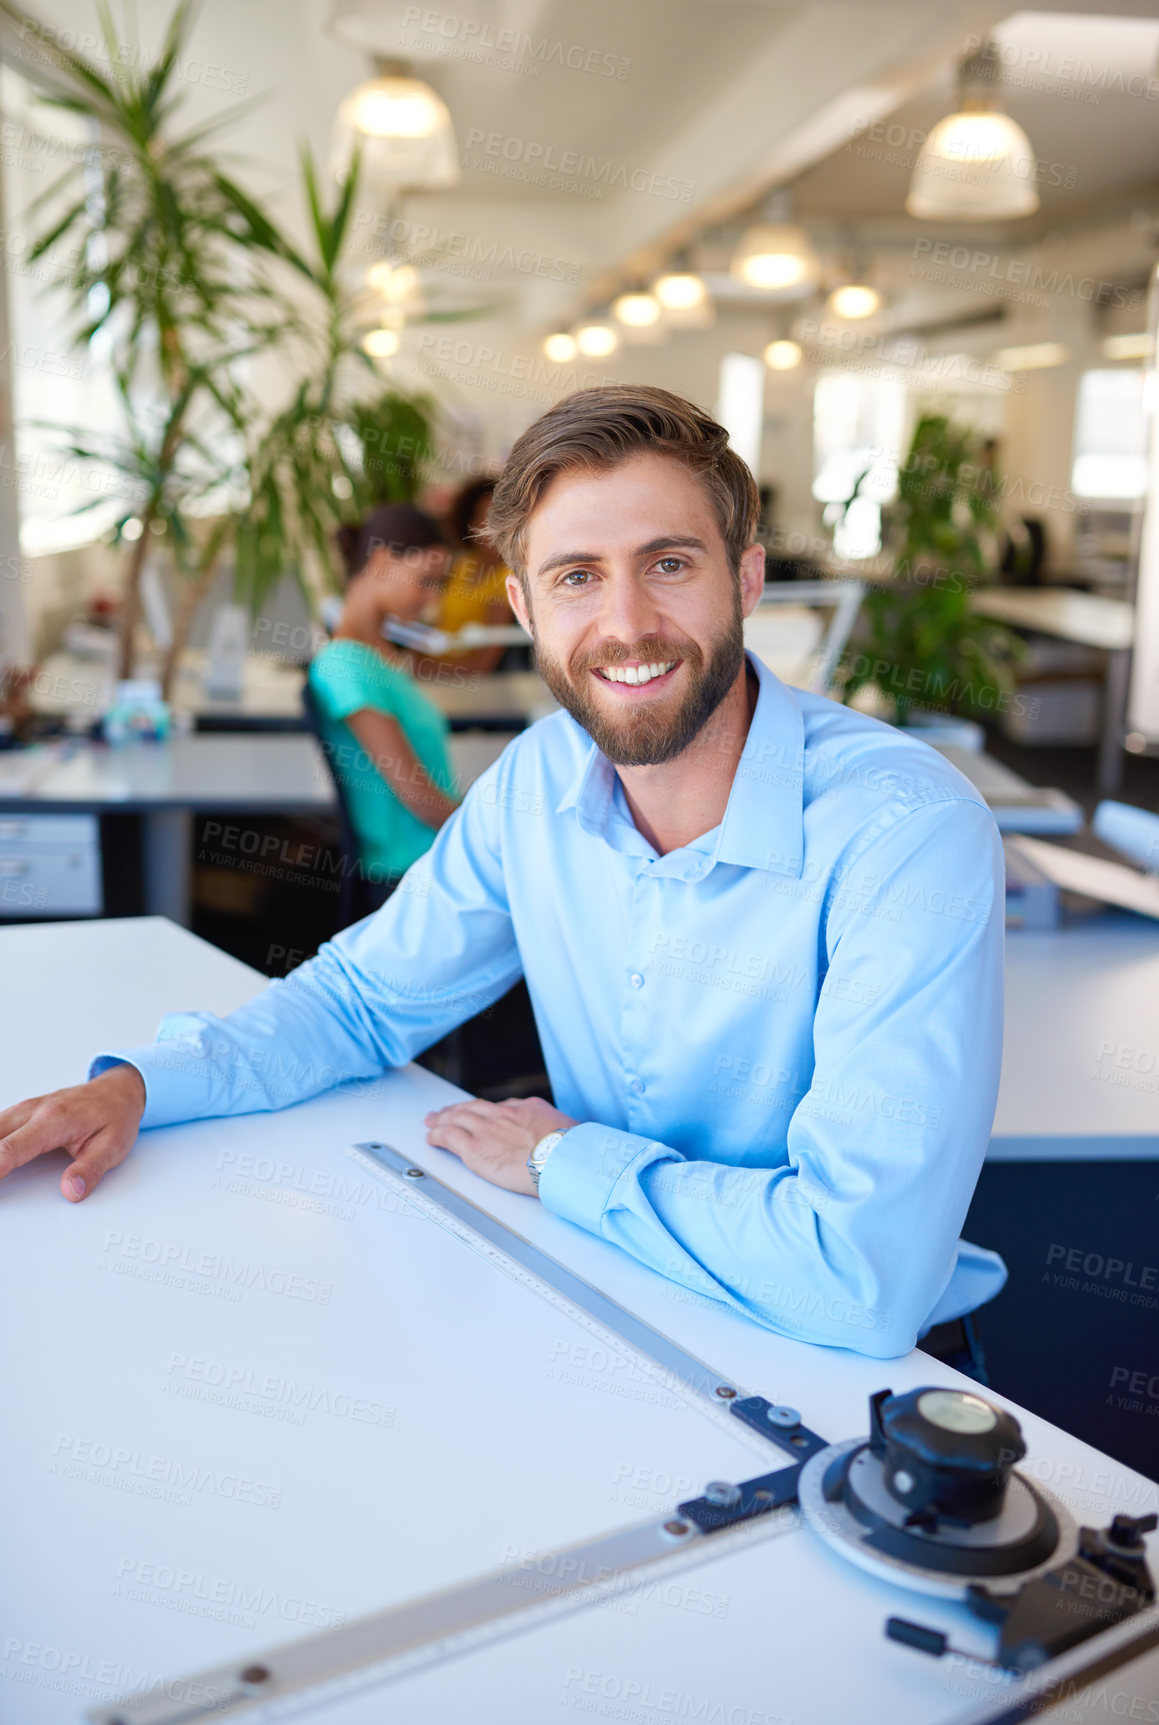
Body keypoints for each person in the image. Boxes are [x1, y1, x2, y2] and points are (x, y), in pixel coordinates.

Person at [0, 385, 1006, 1363]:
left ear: (744, 581)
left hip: (846, 1379)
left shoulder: (903, 831)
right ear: (524, 606)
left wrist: (556, 1160)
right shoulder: (541, 781)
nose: (626, 623)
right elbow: (358, 1002)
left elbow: (858, 1277)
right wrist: (140, 1085)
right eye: (577, 577)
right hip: (620, 1302)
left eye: (667, 563)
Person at [309, 503, 459, 897]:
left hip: (430, 859)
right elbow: (419, 799)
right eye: (425, 580)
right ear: (380, 560)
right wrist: (491, 836)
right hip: (408, 875)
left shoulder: (383, 658)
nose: (431, 600)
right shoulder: (345, 665)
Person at [434, 476, 516, 675]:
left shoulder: (509, 579)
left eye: (499, 521)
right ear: (469, 522)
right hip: (435, 667)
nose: (491, 530)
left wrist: (428, 671)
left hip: (468, 686)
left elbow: (482, 663)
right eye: (484, 520)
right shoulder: (460, 565)